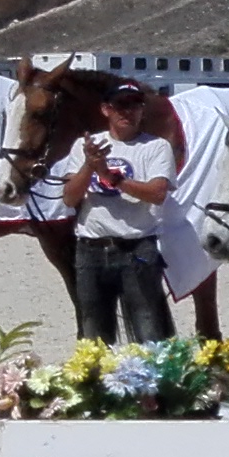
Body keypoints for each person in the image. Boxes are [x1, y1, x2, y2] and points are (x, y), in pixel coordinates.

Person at [62, 79, 180, 345]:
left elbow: (157, 193)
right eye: (120, 105)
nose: (128, 111)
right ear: (106, 109)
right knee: (94, 334)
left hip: (137, 248)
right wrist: (89, 166)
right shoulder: (87, 146)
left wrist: (112, 177)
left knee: (148, 330)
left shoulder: (155, 146)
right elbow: (69, 198)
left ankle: (152, 374)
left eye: (135, 105)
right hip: (91, 248)